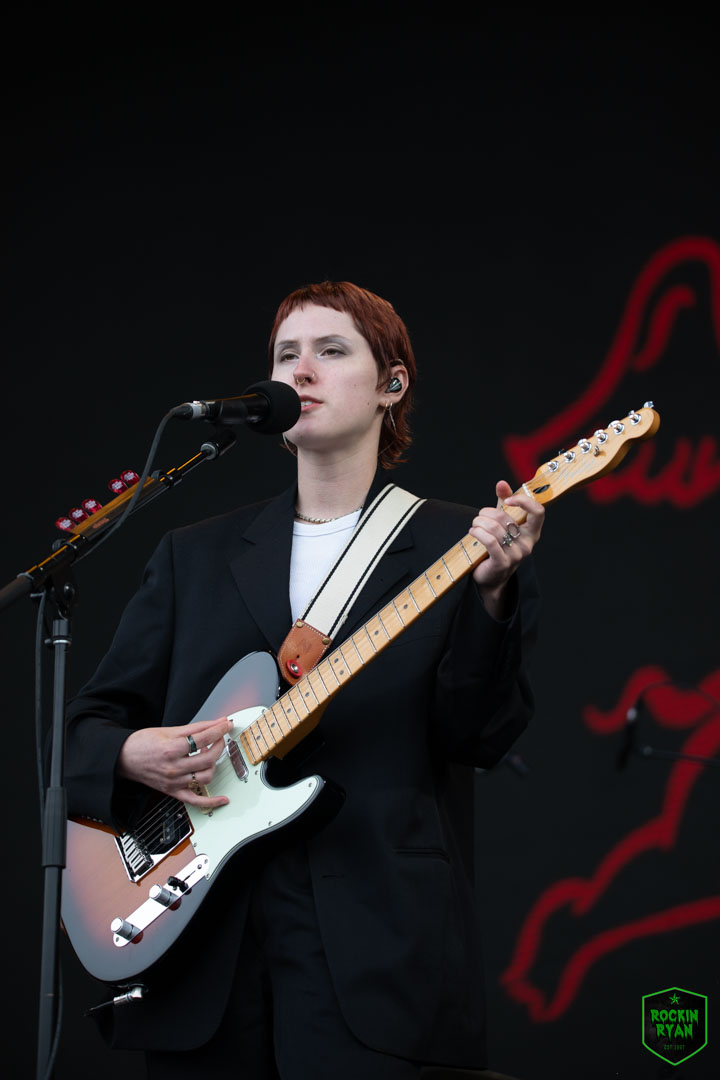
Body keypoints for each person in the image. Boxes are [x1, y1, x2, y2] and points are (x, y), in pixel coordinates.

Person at [64, 281, 544, 1079]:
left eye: (331, 350)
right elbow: (90, 724)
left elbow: (480, 734)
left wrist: (493, 595)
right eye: (287, 354)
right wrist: (129, 753)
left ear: (392, 385)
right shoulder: (195, 555)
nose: (302, 371)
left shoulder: (458, 544)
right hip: (203, 949)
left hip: (376, 951)